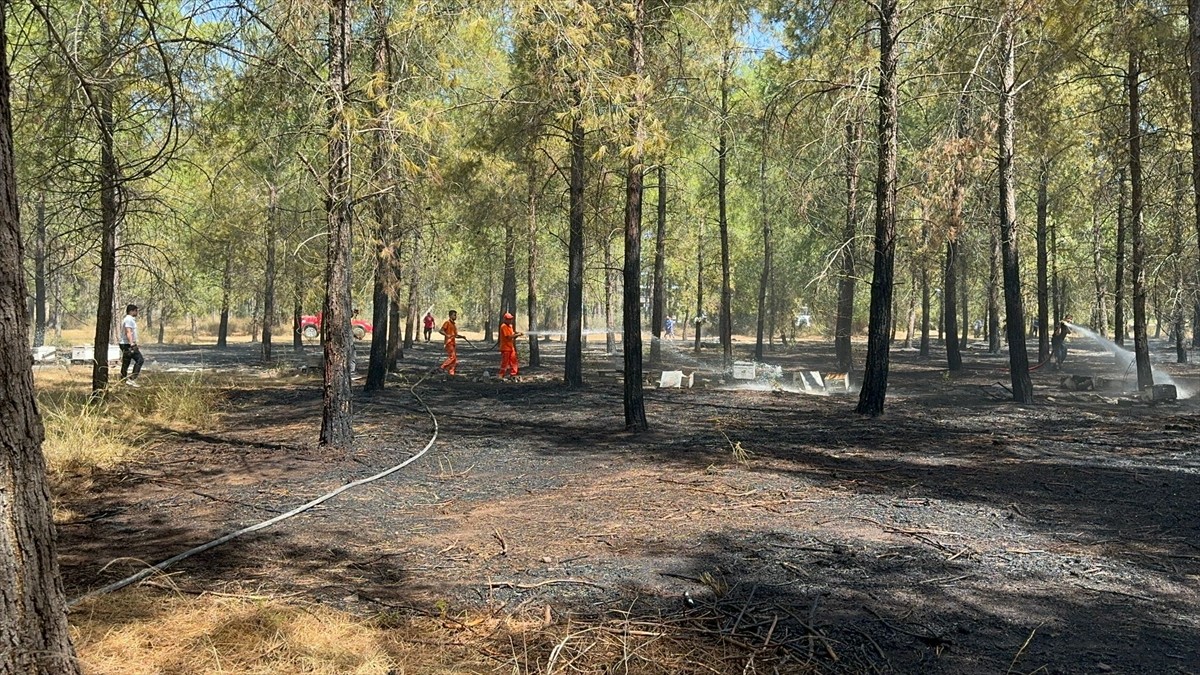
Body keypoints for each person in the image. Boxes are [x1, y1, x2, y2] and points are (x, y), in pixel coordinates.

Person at [118, 303, 144, 387]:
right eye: (136, 311)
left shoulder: (128, 319)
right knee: (140, 360)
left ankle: (123, 379)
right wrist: (132, 344)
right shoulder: (129, 320)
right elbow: (128, 331)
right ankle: (132, 379)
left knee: (126, 362)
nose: (137, 313)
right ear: (132, 311)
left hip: (125, 343)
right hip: (127, 344)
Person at [498, 312, 524, 378]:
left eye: (511, 319)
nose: (510, 320)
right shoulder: (503, 326)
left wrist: (517, 334)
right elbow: (508, 337)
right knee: (505, 362)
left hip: (511, 347)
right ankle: (501, 375)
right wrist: (517, 334)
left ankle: (513, 374)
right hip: (505, 348)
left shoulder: (510, 326)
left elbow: (513, 336)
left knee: (514, 361)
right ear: (505, 319)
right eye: (508, 319)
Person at [438, 310, 459, 375]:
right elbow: (441, 331)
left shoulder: (454, 325)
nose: (455, 316)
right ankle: (442, 367)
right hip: (448, 342)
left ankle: (451, 373)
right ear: (450, 316)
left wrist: (462, 337)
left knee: (455, 360)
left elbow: (455, 335)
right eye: (454, 315)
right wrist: (447, 335)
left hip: (453, 343)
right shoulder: (447, 323)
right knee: (452, 357)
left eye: (456, 315)